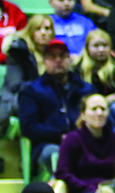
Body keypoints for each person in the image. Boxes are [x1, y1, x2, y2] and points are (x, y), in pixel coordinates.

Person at [18, 40, 89, 176]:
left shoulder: (85, 89)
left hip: (84, 140)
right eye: (52, 56)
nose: (58, 60)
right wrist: (60, 136)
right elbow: (29, 126)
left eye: (62, 56)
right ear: (44, 61)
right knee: (55, 154)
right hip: (49, 144)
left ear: (70, 59)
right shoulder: (31, 91)